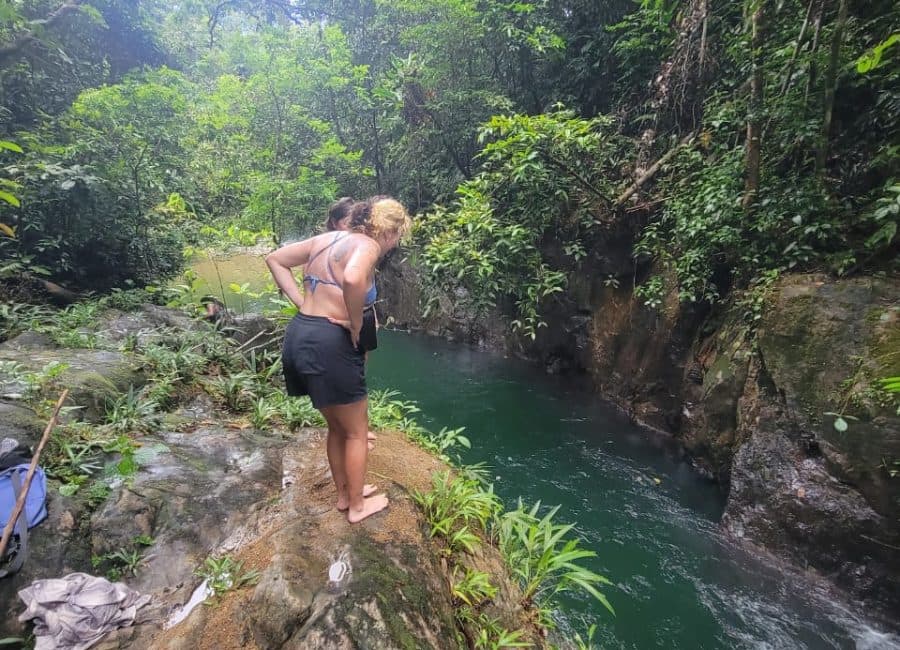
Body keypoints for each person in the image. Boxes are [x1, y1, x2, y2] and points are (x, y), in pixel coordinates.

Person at [266, 197, 411, 523]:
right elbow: (352, 278)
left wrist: (302, 300)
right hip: (330, 342)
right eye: (398, 235)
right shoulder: (366, 244)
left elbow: (275, 259)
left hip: (300, 334)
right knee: (357, 432)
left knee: (336, 428)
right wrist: (356, 323)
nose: (395, 243)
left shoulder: (325, 239)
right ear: (387, 229)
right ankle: (358, 507)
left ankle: (346, 495)